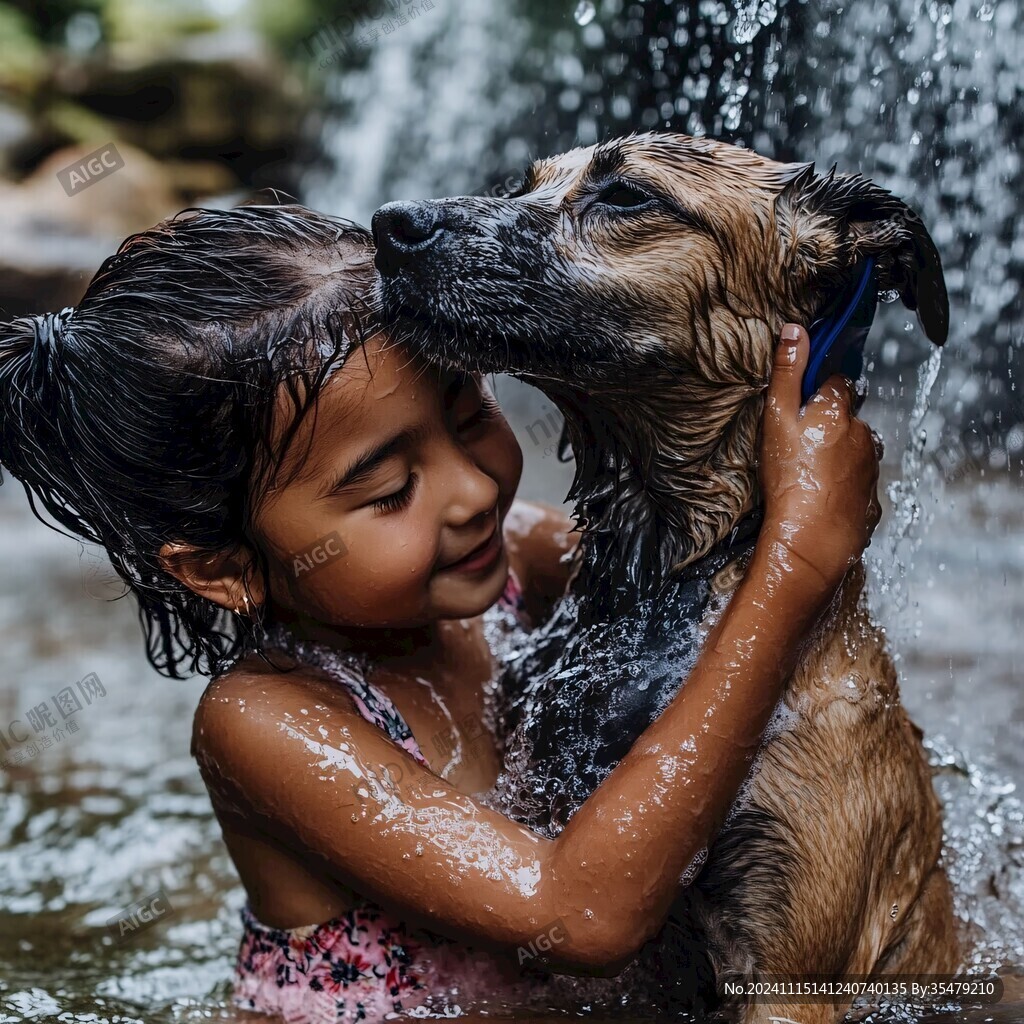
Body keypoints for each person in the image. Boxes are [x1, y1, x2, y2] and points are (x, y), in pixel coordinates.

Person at [0, 204, 881, 1023]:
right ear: (224, 570)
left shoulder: (515, 568)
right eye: (388, 491)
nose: (471, 492)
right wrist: (795, 567)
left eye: (468, 414)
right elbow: (576, 915)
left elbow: (708, 589)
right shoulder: (267, 723)